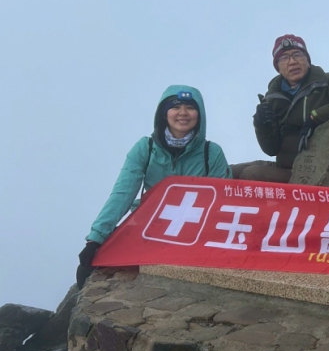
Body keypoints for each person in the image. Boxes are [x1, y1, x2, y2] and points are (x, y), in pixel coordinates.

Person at [77, 85, 232, 288]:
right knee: (95, 265)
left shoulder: (211, 153)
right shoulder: (145, 148)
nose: (183, 113)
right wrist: (95, 239)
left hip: (196, 230)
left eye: (190, 107)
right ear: (164, 112)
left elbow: (222, 202)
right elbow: (123, 193)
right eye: (176, 107)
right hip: (150, 225)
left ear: (199, 114)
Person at [232, 34, 329, 181]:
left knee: (252, 174)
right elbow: (271, 149)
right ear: (278, 67)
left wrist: (315, 116)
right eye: (284, 58)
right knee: (229, 172)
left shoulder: (326, 81)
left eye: (297, 55)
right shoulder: (273, 98)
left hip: (316, 168)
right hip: (285, 166)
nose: (292, 62)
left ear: (307, 60)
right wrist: (261, 124)